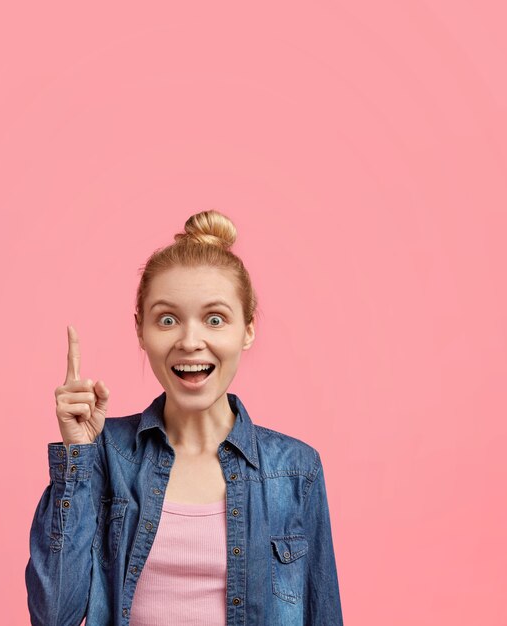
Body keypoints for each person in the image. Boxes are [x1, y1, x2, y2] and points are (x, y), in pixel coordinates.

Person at [25, 209, 344, 625]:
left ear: (247, 329)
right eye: (168, 319)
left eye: (215, 319)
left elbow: (323, 616)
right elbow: (53, 616)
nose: (191, 342)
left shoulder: (296, 470)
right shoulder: (107, 455)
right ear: (140, 330)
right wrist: (77, 459)